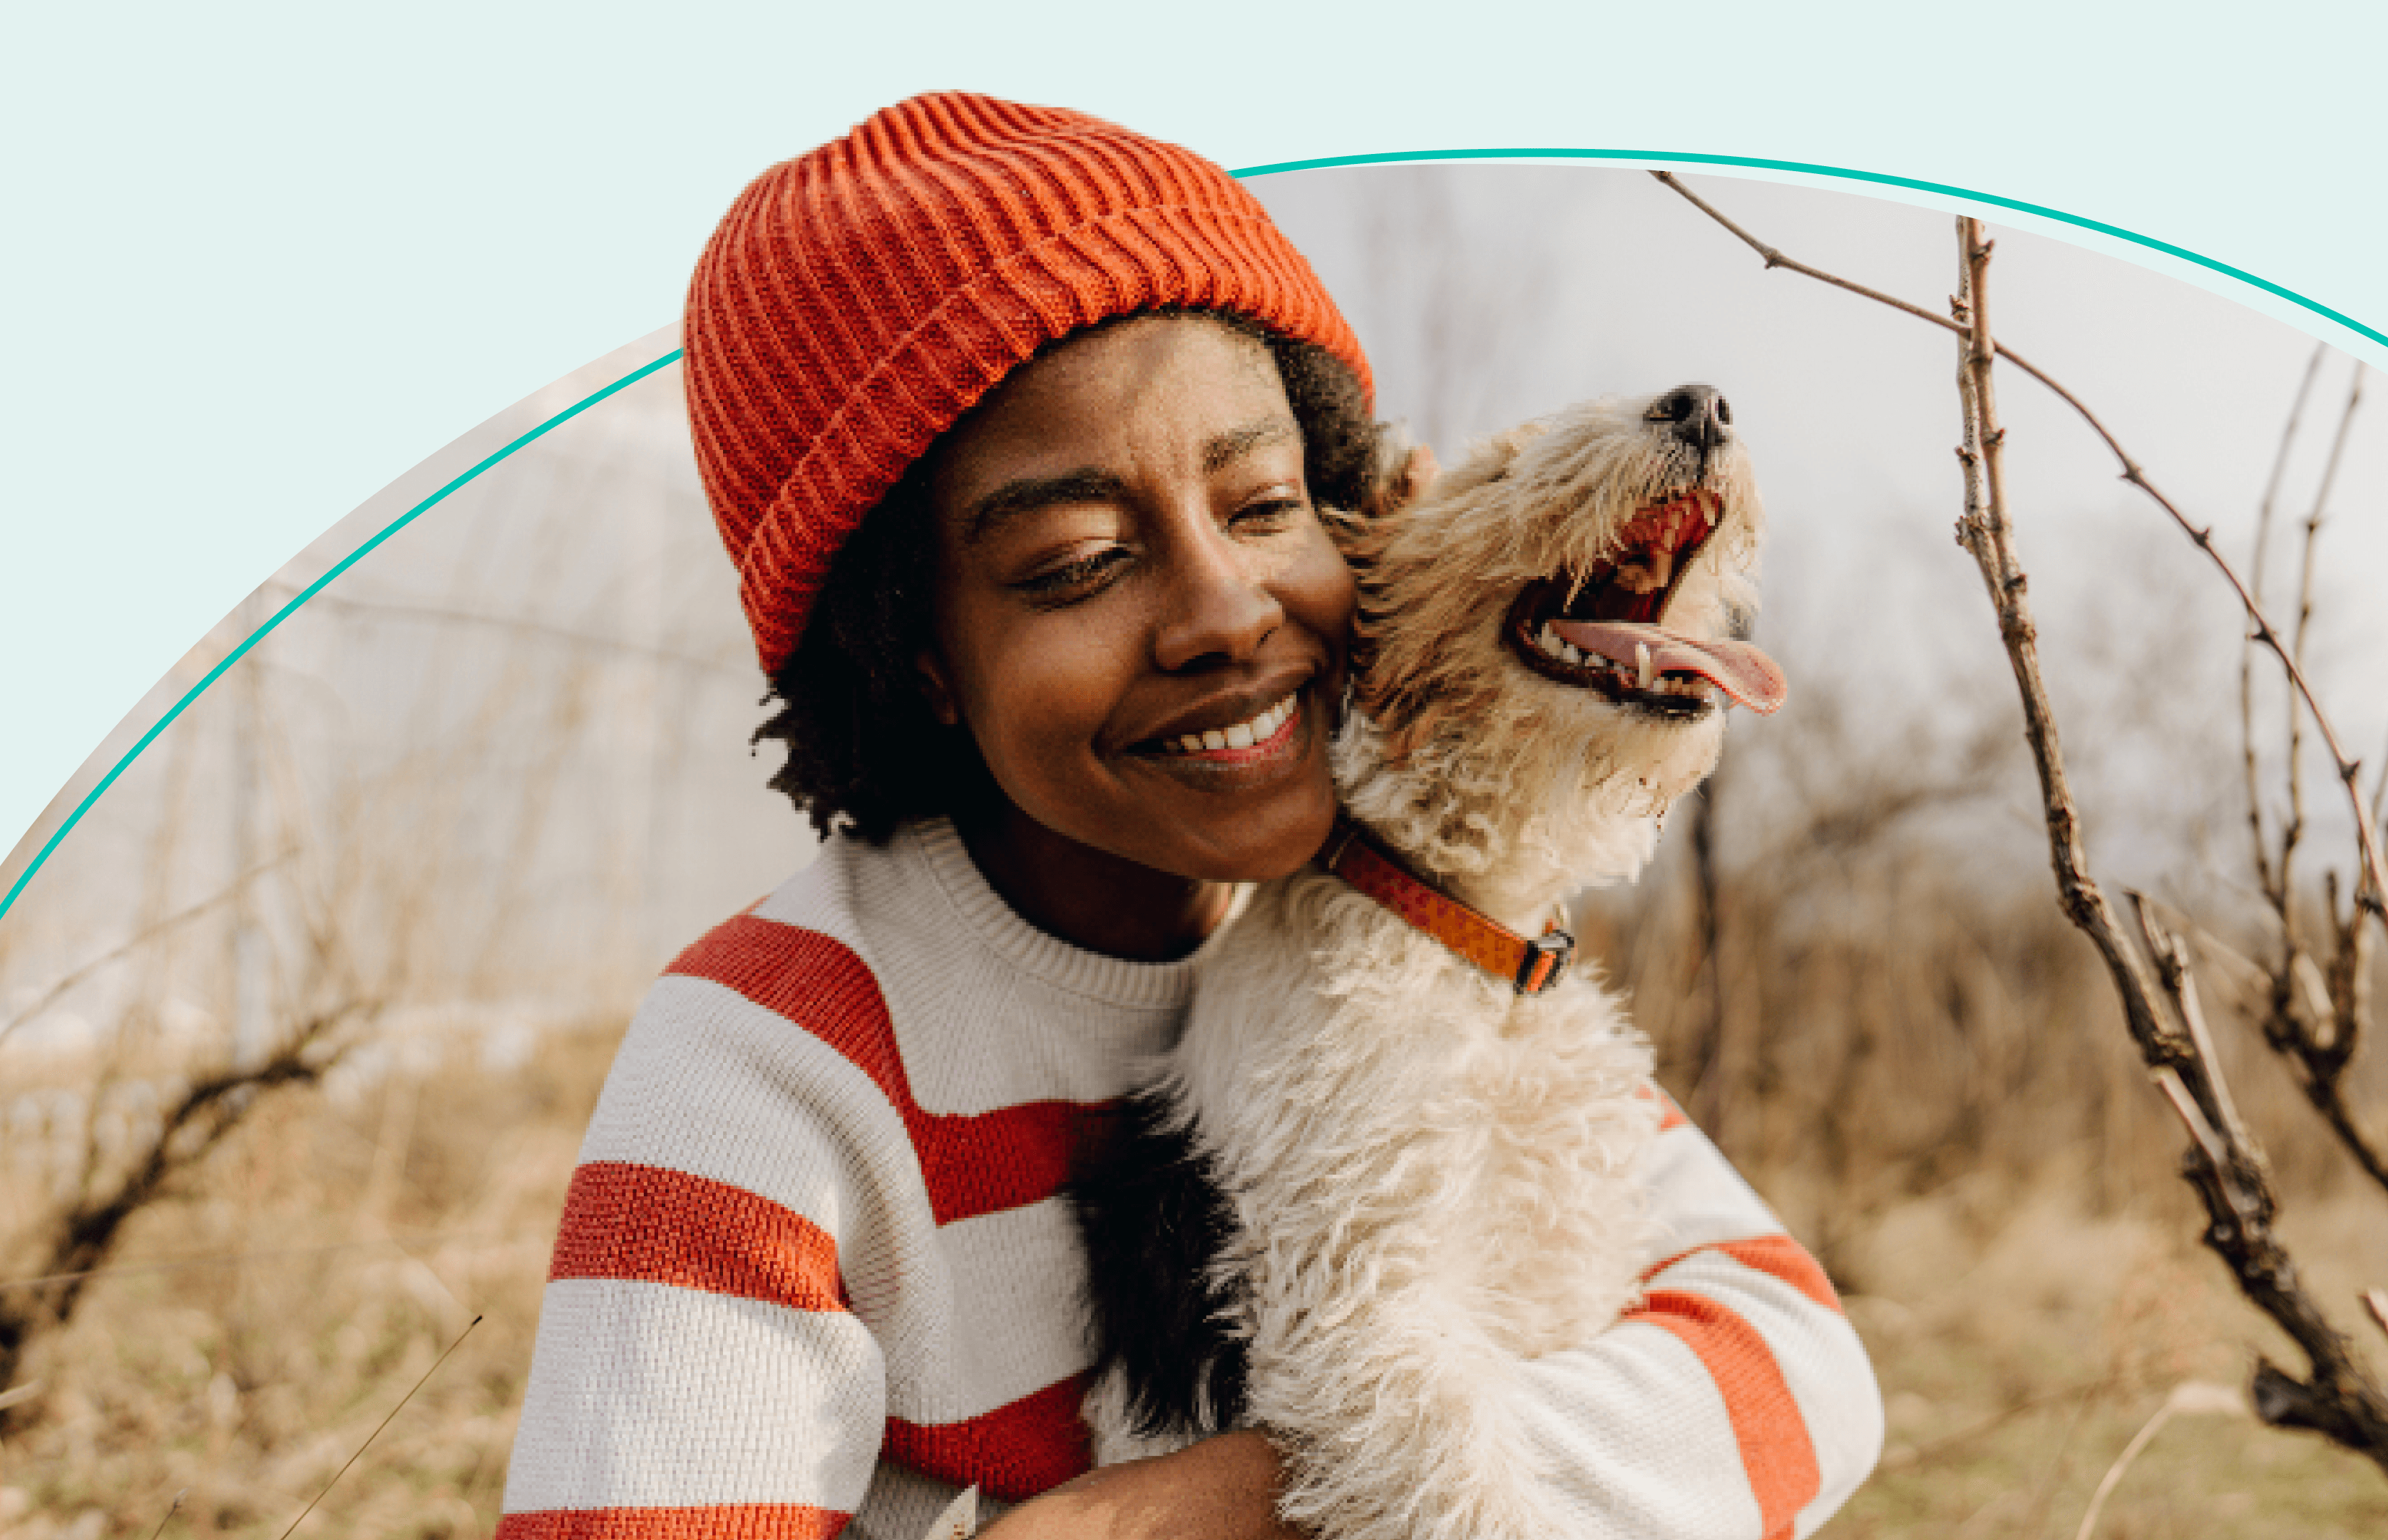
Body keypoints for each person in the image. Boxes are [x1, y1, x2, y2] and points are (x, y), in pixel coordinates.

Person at [496, 91, 1880, 1540]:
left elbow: (1805, 1366)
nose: (1226, 613)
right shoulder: (769, 1062)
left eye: (1267, 503)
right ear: (914, 659)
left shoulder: (1408, 925)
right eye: (1081, 561)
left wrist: (1202, 1511)